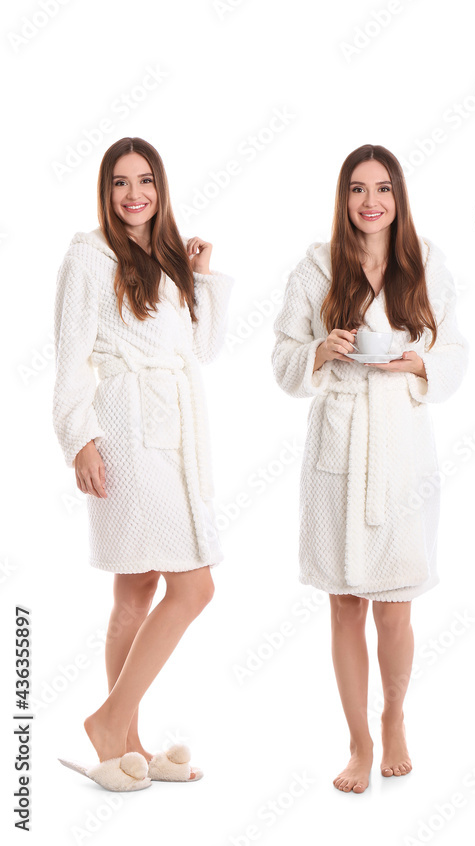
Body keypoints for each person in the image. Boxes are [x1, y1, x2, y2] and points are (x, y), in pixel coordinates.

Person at [272, 144, 468, 795]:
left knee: (396, 608)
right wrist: (320, 351)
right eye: (358, 189)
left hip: (401, 453)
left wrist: (419, 364)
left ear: (398, 196)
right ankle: (358, 740)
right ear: (344, 198)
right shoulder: (316, 268)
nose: (370, 201)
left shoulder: (426, 264)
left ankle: (394, 717)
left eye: (382, 188)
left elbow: (454, 350)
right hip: (338, 450)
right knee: (344, 606)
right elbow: (282, 357)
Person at [53, 137, 233, 791]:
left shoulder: (167, 256)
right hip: (126, 433)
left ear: (161, 188)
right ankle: (109, 721)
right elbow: (70, 353)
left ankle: (126, 745)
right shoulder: (89, 255)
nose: (134, 194)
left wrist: (201, 276)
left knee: (137, 589)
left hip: (174, 430)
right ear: (106, 191)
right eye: (121, 183)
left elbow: (201, 349)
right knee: (194, 587)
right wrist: (79, 437)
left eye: (146, 181)